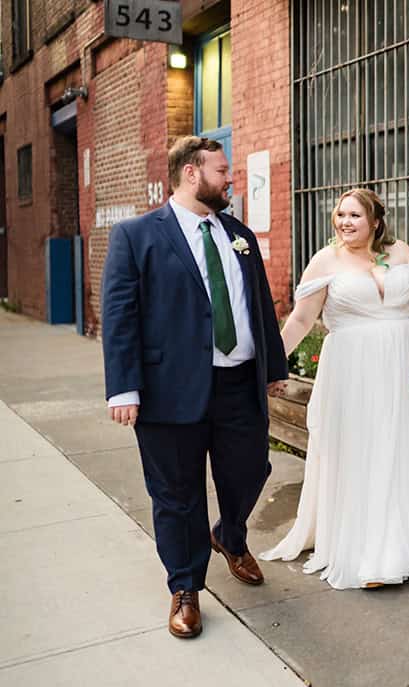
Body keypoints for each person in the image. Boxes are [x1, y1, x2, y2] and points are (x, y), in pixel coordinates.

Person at [101, 136, 288, 638]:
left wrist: (272, 366)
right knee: (177, 494)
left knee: (251, 468)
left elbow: (257, 304)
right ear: (191, 173)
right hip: (168, 389)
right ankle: (185, 587)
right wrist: (123, 388)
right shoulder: (137, 235)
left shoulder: (238, 233)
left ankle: (229, 535)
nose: (230, 180)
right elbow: (120, 316)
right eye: (222, 171)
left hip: (236, 385)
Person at [259, 188, 409, 589]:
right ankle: (372, 552)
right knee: (363, 450)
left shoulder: (401, 252)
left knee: (398, 448)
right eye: (340, 215)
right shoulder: (325, 260)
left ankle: (407, 542)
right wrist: (272, 365)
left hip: (403, 368)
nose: (345, 222)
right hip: (352, 372)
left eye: (354, 215)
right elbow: (302, 320)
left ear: (375, 221)